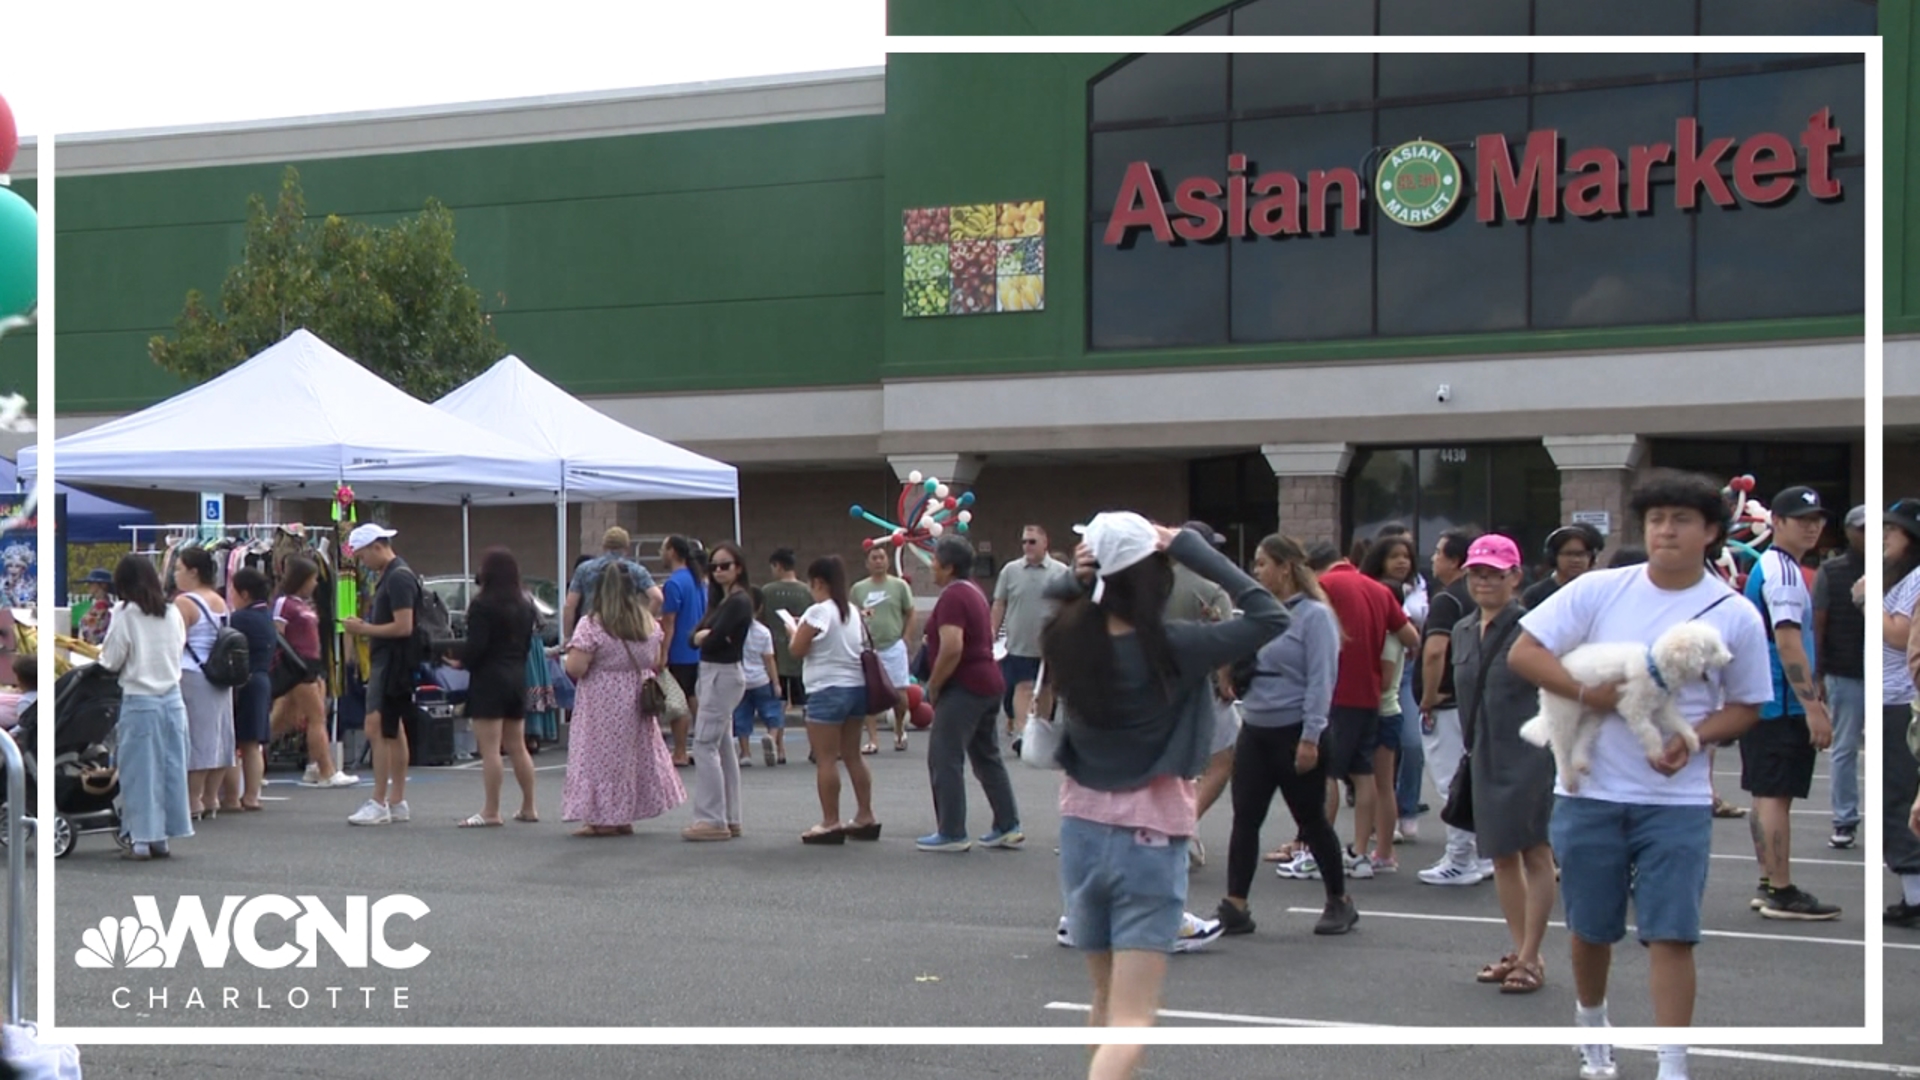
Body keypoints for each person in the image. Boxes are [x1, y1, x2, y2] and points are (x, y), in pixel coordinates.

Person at [1508, 469, 1771, 1080]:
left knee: (1672, 933)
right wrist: (1583, 693)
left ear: (1711, 532)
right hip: (1589, 790)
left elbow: (1747, 705)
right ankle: (1592, 1026)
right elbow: (1526, 651)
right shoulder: (1601, 589)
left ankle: (1672, 1063)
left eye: (1681, 520)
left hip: (1674, 802)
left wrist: (1694, 739)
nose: (1666, 531)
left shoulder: (1735, 615)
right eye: (1656, 520)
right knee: (1591, 930)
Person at [1045, 516, 1285, 1080]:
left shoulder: (1067, 638)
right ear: (1157, 578)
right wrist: (1193, 547)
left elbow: (1064, 603)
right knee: (1131, 1020)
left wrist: (1082, 580)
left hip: (1080, 824)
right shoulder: (1179, 645)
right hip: (1151, 836)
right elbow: (1271, 613)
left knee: (1103, 1001)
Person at [1217, 533, 1352, 936]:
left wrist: (1311, 737)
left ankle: (1339, 900)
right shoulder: (1260, 613)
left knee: (1310, 820)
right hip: (1256, 727)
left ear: (1285, 568)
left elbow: (1321, 680)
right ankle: (1235, 904)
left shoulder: (1315, 616)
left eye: (1262, 564)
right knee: (1245, 817)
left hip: (1295, 730)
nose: (1256, 572)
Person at [1452, 535, 1557, 995]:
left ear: (1516, 576)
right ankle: (1520, 949)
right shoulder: (1461, 629)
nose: (1485, 581)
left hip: (1531, 753)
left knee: (1535, 852)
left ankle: (1532, 957)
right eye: (1477, 572)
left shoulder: (1536, 629)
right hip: (1483, 751)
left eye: (1495, 573)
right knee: (1501, 855)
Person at [1283, 543, 1419, 881]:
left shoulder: (1323, 588)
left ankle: (1318, 850)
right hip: (1371, 696)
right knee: (1364, 774)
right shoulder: (1377, 588)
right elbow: (1410, 636)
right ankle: (1360, 853)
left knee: (1324, 773)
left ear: (1312, 569)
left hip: (1336, 691)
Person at [1739, 485, 1839, 920]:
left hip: (1765, 701)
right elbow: (1787, 641)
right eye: (1801, 519)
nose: (1812, 526)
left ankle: (1769, 882)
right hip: (1780, 705)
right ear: (1776, 523)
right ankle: (1780, 889)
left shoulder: (1776, 566)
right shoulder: (1783, 572)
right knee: (1777, 794)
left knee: (1766, 794)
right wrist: (1813, 705)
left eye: (1817, 519)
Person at [561, 554, 684, 836]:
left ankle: (603, 818)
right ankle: (624, 814)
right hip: (636, 694)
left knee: (600, 756)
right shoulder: (648, 624)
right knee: (632, 756)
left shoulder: (592, 624)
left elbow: (577, 667)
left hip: (602, 698)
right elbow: (653, 659)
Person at [919, 537, 1019, 853]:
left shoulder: (952, 598)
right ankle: (1007, 824)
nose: (931, 566)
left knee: (944, 756)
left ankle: (952, 831)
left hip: (965, 686)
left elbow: (952, 646)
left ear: (948, 567)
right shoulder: (974, 591)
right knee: (987, 756)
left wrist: (934, 685)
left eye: (935, 561)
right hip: (989, 682)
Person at [99, 556, 194, 861]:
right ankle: (164, 837)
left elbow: (112, 658)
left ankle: (141, 839)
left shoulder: (125, 613)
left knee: (140, 773)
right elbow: (177, 648)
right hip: (173, 700)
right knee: (171, 769)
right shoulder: (172, 611)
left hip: (141, 700)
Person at [788, 554, 880, 845]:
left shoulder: (818, 612)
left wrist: (793, 629)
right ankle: (865, 815)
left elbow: (797, 649)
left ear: (818, 582)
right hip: (856, 687)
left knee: (826, 758)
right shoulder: (852, 611)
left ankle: (831, 821)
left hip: (827, 688)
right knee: (853, 754)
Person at [1417, 529, 1488, 886]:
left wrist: (1428, 697)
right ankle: (1480, 852)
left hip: (1447, 702)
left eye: (1439, 553)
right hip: (1475, 700)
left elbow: (1434, 651)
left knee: (1450, 781)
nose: (1433, 559)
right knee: (1472, 777)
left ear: (1456, 561)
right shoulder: (1478, 597)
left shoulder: (1448, 600)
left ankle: (1461, 858)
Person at [1167, 520, 1238, 871]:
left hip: (1155, 685)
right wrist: (1226, 681)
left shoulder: (1153, 584)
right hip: (1199, 687)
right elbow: (1224, 642)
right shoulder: (1212, 591)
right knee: (1222, 760)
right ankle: (1184, 825)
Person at [342, 524, 420, 827]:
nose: (363, 563)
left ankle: (379, 800)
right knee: (391, 729)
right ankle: (396, 800)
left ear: (376, 546)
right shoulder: (397, 574)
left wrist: (364, 629)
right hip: (394, 662)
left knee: (377, 728)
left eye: (362, 556)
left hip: (390, 662)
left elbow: (404, 626)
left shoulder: (397, 578)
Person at [455, 548, 538, 828]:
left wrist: (460, 661)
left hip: (489, 678)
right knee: (518, 746)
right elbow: (527, 645)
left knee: (490, 749)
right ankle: (529, 806)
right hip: (516, 675)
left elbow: (477, 646)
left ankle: (491, 810)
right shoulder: (526, 604)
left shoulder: (482, 605)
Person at [685, 541, 753, 842]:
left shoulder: (739, 601)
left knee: (704, 744)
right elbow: (695, 636)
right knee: (722, 746)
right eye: (714, 566)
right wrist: (703, 637)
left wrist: (705, 637)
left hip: (722, 674)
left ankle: (712, 818)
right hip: (715, 672)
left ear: (738, 567)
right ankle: (729, 816)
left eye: (725, 565)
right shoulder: (722, 601)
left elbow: (711, 639)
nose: (719, 571)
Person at [272, 556, 354, 788]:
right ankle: (327, 771)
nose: (316, 583)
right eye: (312, 579)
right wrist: (289, 665)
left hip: (312, 664)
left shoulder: (305, 604)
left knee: (283, 720)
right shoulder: (284, 603)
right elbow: (278, 635)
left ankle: (311, 766)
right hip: (297, 666)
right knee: (316, 717)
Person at [1812, 505, 1866, 850]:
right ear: (1848, 531)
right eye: (1862, 528)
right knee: (1844, 747)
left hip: (1893, 674)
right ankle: (1845, 818)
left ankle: (1900, 817)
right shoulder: (1831, 571)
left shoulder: (1902, 570)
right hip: (1845, 671)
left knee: (1901, 748)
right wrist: (1817, 673)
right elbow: (1818, 624)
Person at [172, 546, 235, 820]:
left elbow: (177, 642)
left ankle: (192, 799)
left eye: (178, 569)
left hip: (193, 673)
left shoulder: (184, 603)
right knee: (220, 736)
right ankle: (211, 797)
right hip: (220, 674)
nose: (175, 575)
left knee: (196, 738)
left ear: (193, 572)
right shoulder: (220, 600)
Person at [992, 523, 1071, 739]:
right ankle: (1023, 733)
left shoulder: (1061, 572)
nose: (1027, 546)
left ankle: (1041, 733)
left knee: (1046, 688)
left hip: (1050, 644)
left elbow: (1070, 606)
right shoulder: (1010, 571)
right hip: (1019, 643)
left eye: (1032, 542)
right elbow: (1000, 603)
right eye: (1024, 542)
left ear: (1045, 543)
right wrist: (992, 631)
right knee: (1023, 687)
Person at [1881, 499, 1920, 927]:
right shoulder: (1904, 577)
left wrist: (1868, 603)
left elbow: (1904, 636)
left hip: (1903, 701)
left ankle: (1915, 898)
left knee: (1899, 797)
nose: (1885, 537)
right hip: (1895, 699)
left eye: (1894, 530)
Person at [851, 544, 916, 754]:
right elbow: (852, 616)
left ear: (887, 561)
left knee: (900, 693)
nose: (878, 561)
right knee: (868, 694)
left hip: (894, 646)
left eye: (881, 557)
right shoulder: (858, 589)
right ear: (867, 563)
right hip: (869, 648)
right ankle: (873, 739)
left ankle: (899, 730)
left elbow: (910, 612)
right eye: (874, 558)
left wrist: (905, 638)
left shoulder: (899, 586)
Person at [227, 568, 276, 812]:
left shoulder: (239, 619)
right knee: (253, 744)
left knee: (234, 742)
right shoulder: (266, 616)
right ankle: (252, 796)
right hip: (262, 679)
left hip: (243, 682)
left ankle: (232, 797)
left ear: (244, 594)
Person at [658, 535, 708, 768]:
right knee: (693, 698)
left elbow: (669, 620)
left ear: (672, 552)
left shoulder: (675, 583)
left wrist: (663, 651)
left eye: (663, 548)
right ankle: (704, 743)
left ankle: (679, 750)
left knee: (678, 703)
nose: (660, 553)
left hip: (680, 650)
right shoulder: (699, 581)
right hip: (698, 650)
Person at [563, 527, 662, 639]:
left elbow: (570, 605)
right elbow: (657, 597)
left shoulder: (584, 569)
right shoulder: (636, 570)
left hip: (590, 631)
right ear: (626, 548)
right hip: (624, 631)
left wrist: (568, 636)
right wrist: (643, 623)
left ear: (604, 546)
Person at [733, 586, 786, 767]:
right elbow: (769, 660)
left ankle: (745, 753)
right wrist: (776, 683)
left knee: (741, 717)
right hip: (761, 679)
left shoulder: (733, 631)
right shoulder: (763, 632)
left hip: (739, 680)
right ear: (760, 608)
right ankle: (770, 737)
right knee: (773, 714)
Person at [763, 548, 813, 722]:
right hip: (802, 656)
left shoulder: (766, 592)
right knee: (807, 705)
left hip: (776, 657)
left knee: (778, 704)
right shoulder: (808, 591)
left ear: (778, 566)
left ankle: (778, 744)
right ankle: (814, 744)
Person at [1522, 524, 1604, 610]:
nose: (1576, 560)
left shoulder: (1599, 592)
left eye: (1581, 554)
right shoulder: (1535, 594)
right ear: (1553, 557)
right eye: (1569, 554)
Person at [77, 568, 114, 646]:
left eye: (92, 583)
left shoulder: (103, 608)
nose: (89, 586)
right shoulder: (105, 606)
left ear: (103, 585)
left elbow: (94, 635)